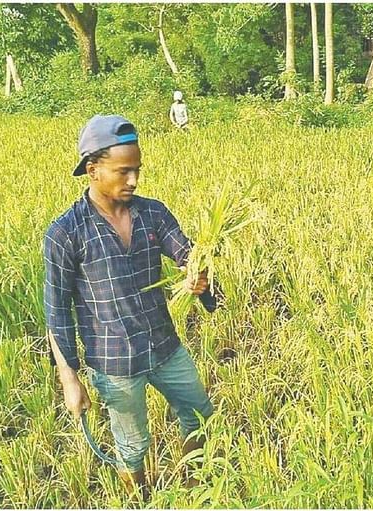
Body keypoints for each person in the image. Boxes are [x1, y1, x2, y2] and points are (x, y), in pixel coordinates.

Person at [44, 114, 215, 498]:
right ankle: (140, 500)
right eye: (123, 172)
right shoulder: (66, 232)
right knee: (133, 446)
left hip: (164, 346)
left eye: (137, 170)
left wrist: (197, 274)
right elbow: (56, 312)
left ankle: (194, 490)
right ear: (93, 170)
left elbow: (186, 251)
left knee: (200, 416)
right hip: (115, 361)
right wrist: (70, 380)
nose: (134, 180)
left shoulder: (153, 212)